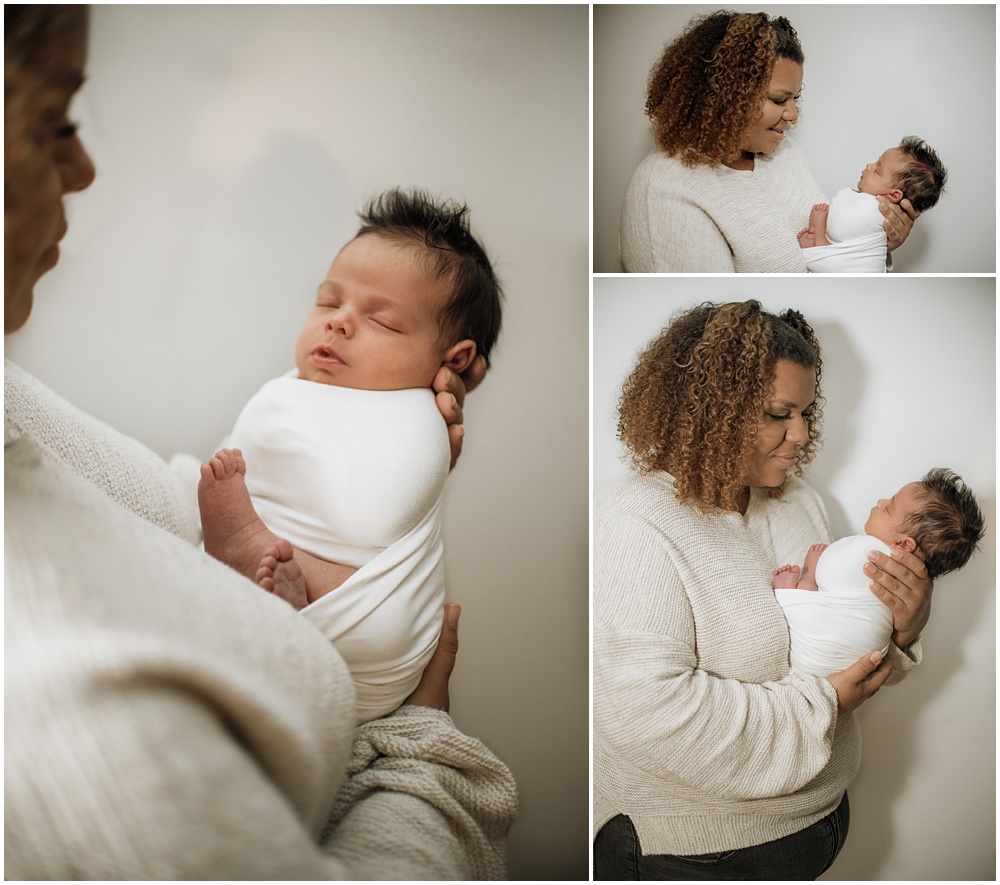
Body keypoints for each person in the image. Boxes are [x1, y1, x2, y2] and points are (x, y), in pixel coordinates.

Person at [5, 5, 517, 878]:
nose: (86, 167)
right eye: (57, 119)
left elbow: (147, 512)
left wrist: (394, 451)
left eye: (380, 319)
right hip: (385, 737)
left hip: (358, 637)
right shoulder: (57, 707)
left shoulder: (15, 413)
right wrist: (429, 748)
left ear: (453, 357)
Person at [593, 301, 933, 880]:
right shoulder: (634, 523)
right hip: (700, 848)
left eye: (805, 412)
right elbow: (652, 716)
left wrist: (903, 629)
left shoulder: (798, 500)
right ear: (707, 413)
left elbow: (833, 643)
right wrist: (824, 704)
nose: (800, 435)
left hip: (819, 819)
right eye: (780, 413)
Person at [198, 187, 503, 723]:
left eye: (383, 321)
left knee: (381, 614)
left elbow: (378, 518)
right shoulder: (291, 390)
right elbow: (242, 459)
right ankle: (279, 580)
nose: (338, 322)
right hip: (284, 613)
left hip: (374, 630)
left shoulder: (419, 417)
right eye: (329, 301)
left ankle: (258, 551)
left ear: (452, 359)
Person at [617, 11, 919, 273]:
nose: (793, 114)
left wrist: (878, 242)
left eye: (795, 98)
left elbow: (828, 245)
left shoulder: (786, 153)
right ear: (727, 97)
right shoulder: (667, 190)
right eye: (779, 99)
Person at [773, 469, 983, 676]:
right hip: (846, 664)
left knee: (816, 602)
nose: (881, 502)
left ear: (904, 544)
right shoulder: (904, 584)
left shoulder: (872, 554)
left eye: (889, 507)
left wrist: (811, 570)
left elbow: (829, 571)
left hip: (818, 655)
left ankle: (799, 586)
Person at [796, 137, 947, 273]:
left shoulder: (876, 209)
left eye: (877, 170)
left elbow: (839, 228)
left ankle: (820, 241)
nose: (869, 166)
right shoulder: (875, 209)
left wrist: (819, 225)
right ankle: (821, 244)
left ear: (894, 195)